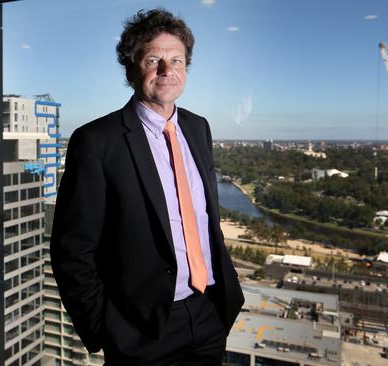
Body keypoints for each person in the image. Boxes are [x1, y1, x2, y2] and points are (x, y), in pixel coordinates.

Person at [50, 8, 244, 366]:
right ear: (131, 67)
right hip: (141, 330)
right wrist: (106, 329)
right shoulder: (96, 141)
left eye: (177, 60)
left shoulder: (198, 128)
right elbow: (72, 250)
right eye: (154, 59)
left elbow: (203, 218)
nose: (167, 71)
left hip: (209, 314)